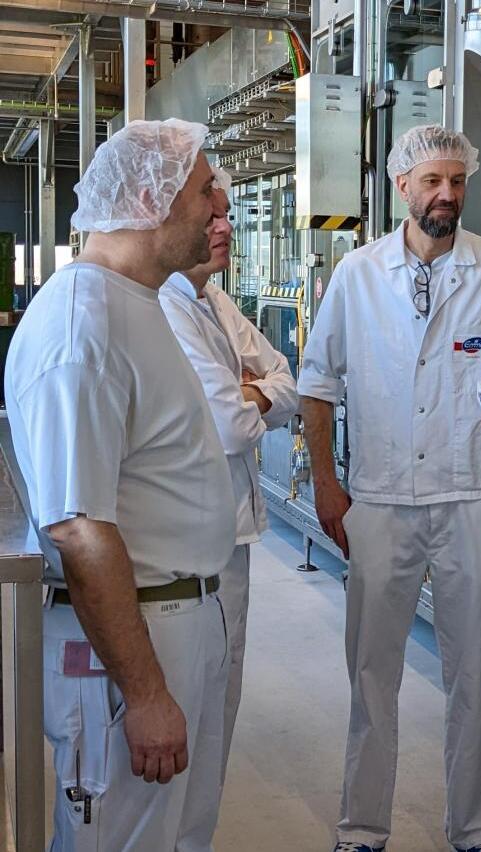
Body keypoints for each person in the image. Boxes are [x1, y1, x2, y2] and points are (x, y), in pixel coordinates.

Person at [298, 125, 481, 852]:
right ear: (402, 186)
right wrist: (325, 483)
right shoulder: (356, 273)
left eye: (457, 182)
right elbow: (317, 385)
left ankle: (477, 831)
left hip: (472, 495)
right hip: (377, 497)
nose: (447, 195)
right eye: (432, 182)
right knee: (372, 676)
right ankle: (362, 830)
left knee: (475, 674)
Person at [4, 120, 237, 851]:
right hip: (131, 645)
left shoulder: (134, 302)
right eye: (205, 189)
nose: (219, 205)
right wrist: (144, 692)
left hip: (175, 616)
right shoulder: (83, 326)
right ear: (148, 197)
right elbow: (78, 527)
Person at [159, 165, 298, 784]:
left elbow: (288, 381)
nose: (223, 228)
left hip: (232, 532)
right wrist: (252, 395)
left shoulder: (213, 300)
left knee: (222, 694)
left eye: (226, 217)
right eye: (210, 215)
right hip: (190, 539)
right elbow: (231, 429)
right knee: (196, 701)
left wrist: (252, 392)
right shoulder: (168, 304)